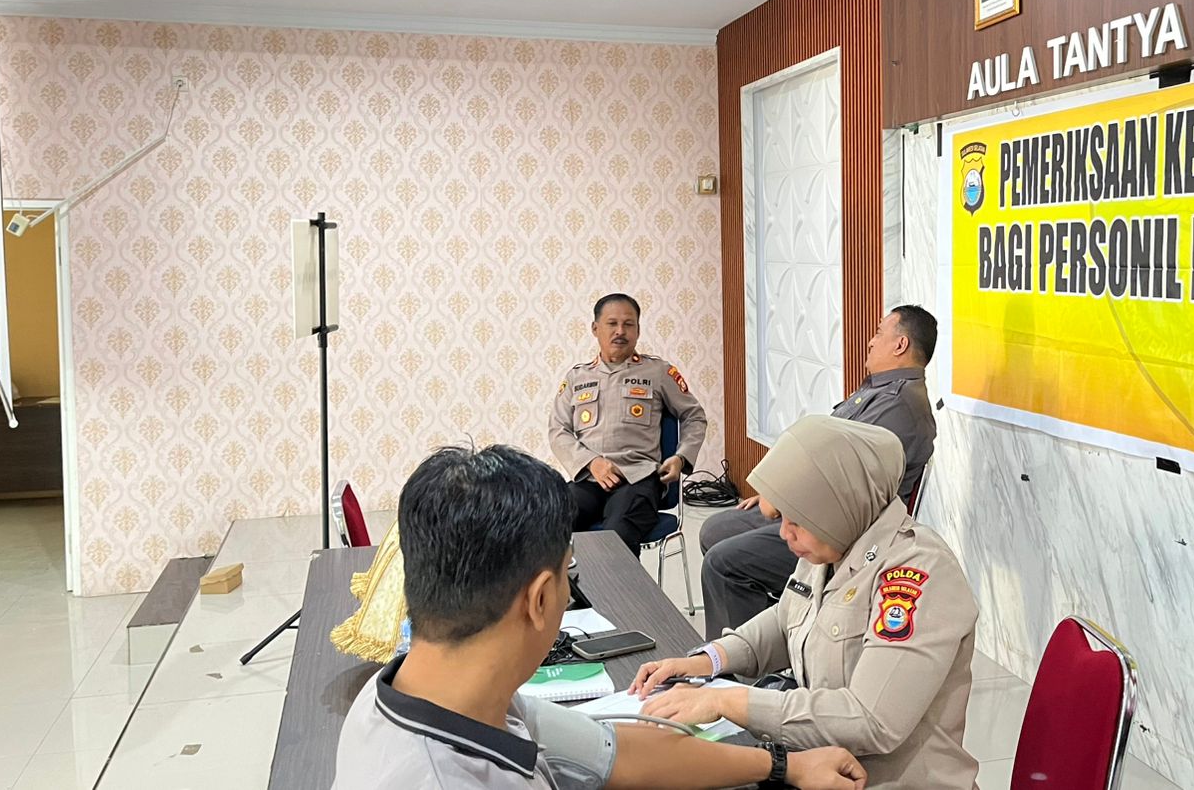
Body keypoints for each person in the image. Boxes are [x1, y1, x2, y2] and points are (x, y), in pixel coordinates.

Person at [332, 443, 867, 790]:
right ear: (540, 600)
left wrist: (785, 765)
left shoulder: (447, 691)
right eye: (569, 573)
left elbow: (613, 754)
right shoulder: (442, 776)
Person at [629, 417, 979, 790]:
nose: (785, 533)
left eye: (797, 520)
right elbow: (786, 620)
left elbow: (871, 720)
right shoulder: (834, 542)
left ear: (838, 505)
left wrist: (729, 702)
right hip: (821, 768)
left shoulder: (917, 574)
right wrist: (708, 660)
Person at [698, 305, 938, 639]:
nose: (870, 341)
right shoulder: (880, 391)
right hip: (813, 512)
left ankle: (741, 662)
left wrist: (782, 502)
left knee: (723, 563)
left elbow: (841, 483)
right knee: (715, 529)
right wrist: (777, 493)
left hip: (840, 534)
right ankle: (785, 627)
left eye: (879, 333)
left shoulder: (900, 406)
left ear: (900, 345)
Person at [549, 293, 708, 555]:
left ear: (638, 330)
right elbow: (558, 430)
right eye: (612, 324)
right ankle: (568, 583)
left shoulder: (658, 372)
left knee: (617, 535)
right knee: (550, 522)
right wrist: (591, 462)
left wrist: (681, 458)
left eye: (628, 324)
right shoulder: (577, 377)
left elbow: (694, 416)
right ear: (595, 329)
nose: (620, 331)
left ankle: (614, 585)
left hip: (639, 479)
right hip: (589, 479)